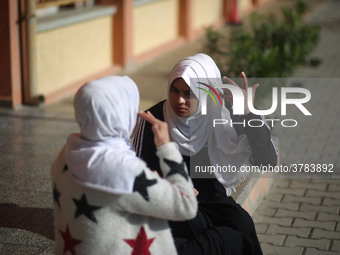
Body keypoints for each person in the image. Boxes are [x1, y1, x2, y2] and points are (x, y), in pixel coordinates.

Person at [133, 53, 278, 254]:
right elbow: (138, 172)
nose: (179, 100)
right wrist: (169, 187)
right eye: (174, 91)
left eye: (189, 93)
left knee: (243, 224)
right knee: (202, 233)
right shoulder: (154, 118)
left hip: (212, 199)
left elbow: (267, 161)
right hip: (170, 199)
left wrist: (248, 114)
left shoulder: (223, 113)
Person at [51, 75, 197, 254]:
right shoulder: (125, 170)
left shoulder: (68, 151)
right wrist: (166, 147)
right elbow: (187, 205)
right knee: (226, 237)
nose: (135, 114)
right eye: (130, 109)